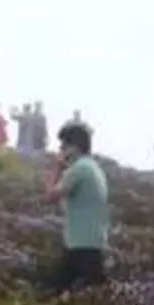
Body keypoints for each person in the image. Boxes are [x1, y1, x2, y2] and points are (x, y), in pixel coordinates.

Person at [44, 122, 110, 293]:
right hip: (93, 239)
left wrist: (57, 168)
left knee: (60, 289)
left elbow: (50, 196)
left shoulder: (79, 169)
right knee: (92, 291)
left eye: (63, 145)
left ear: (73, 146)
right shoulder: (92, 167)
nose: (61, 149)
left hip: (80, 243)